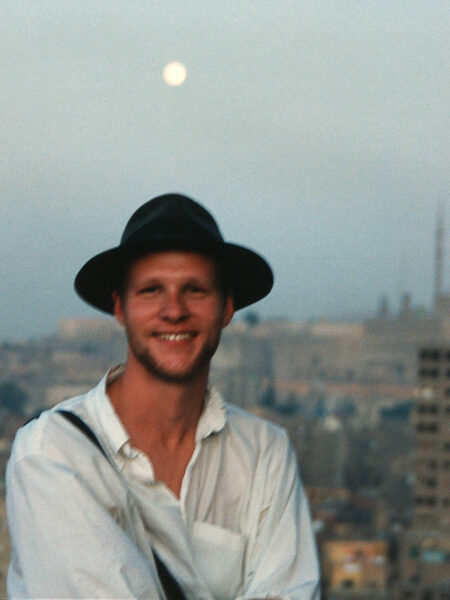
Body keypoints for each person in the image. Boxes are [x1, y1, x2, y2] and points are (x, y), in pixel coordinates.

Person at [6, 193, 320, 599]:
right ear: (120, 309)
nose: (174, 311)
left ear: (226, 309)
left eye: (194, 290)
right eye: (152, 291)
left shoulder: (264, 454)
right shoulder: (53, 452)